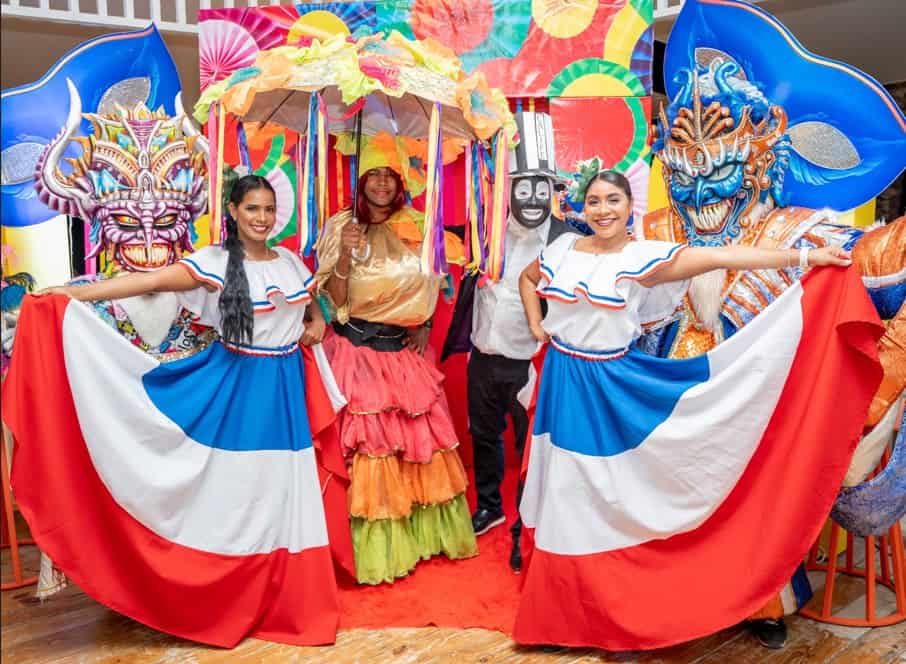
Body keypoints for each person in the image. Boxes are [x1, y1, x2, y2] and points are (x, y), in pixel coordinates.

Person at [512, 170, 872, 651]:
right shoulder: (561, 251)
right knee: (564, 493)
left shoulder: (642, 257)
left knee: (602, 496)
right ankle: (561, 612)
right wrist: (537, 325)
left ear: (628, 206)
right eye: (594, 201)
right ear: (585, 207)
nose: (602, 210)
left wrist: (806, 256)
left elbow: (723, 255)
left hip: (610, 388)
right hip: (561, 381)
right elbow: (527, 277)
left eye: (613, 200)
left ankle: (611, 612)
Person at [5, 175, 341, 646]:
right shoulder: (215, 262)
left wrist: (318, 321)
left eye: (267, 209)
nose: (262, 218)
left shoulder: (289, 261)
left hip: (285, 391)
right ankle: (225, 592)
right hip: (237, 392)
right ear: (233, 211)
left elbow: (309, 305)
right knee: (243, 495)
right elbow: (147, 282)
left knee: (284, 493)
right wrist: (69, 295)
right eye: (252, 209)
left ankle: (284, 593)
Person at [315, 148, 478, 585]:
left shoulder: (418, 225)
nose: (383, 183)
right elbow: (333, 297)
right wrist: (346, 253)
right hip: (356, 353)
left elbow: (431, 278)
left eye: (391, 174)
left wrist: (424, 321)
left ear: (402, 179)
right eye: (374, 174)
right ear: (361, 178)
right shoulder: (341, 225)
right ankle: (366, 548)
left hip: (401, 353)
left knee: (415, 447)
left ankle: (417, 539)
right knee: (370, 449)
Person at [444, 111, 575, 573]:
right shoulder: (484, 230)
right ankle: (489, 505)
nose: (532, 197)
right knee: (483, 436)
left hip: (532, 363)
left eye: (541, 187)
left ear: (553, 190)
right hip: (484, 357)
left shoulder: (566, 242)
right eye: (523, 186)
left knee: (531, 449)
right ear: (506, 188)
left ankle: (527, 527)